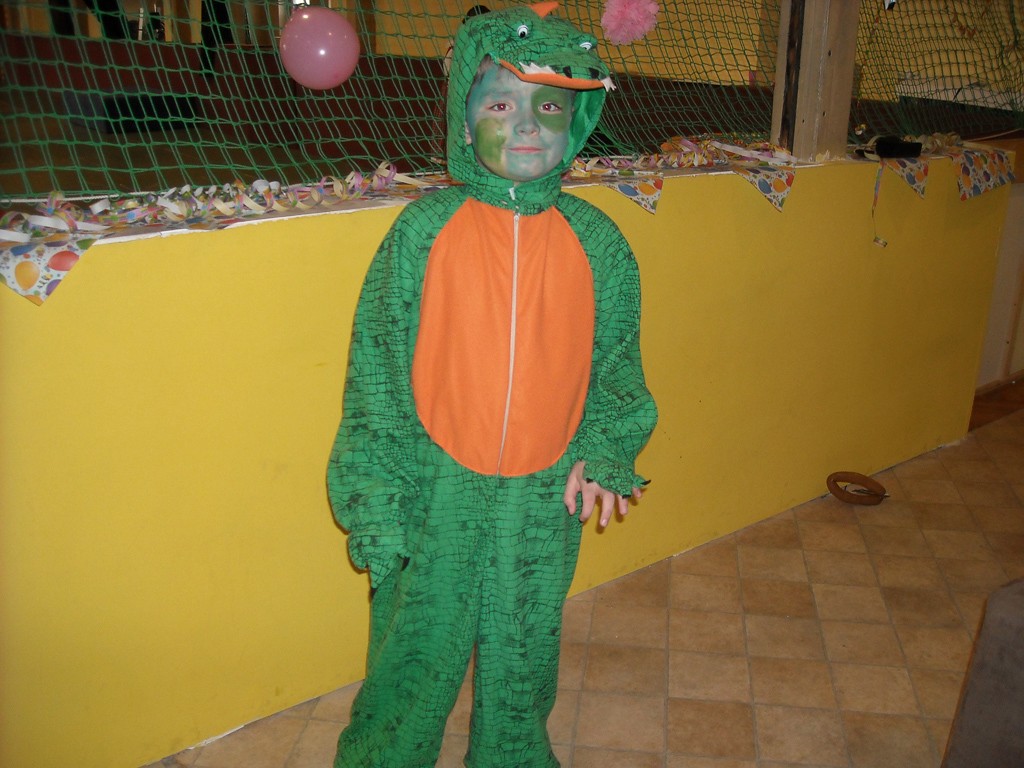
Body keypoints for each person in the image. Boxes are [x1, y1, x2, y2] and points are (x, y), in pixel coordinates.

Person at [327, 3, 657, 766]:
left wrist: (607, 448)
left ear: (578, 121)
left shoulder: (600, 244)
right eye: (502, 106)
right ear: (463, 114)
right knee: (415, 649)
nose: (529, 127)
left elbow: (616, 366)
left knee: (523, 652)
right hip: (434, 484)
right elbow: (376, 373)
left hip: (544, 492)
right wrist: (375, 495)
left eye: (551, 108)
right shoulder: (421, 234)